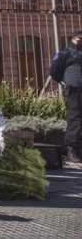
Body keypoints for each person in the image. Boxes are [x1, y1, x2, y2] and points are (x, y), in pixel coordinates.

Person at [49, 30, 82, 163]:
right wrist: (64, 82)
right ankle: (72, 149)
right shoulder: (65, 54)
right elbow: (54, 71)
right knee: (75, 119)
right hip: (74, 89)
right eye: (80, 39)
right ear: (73, 39)